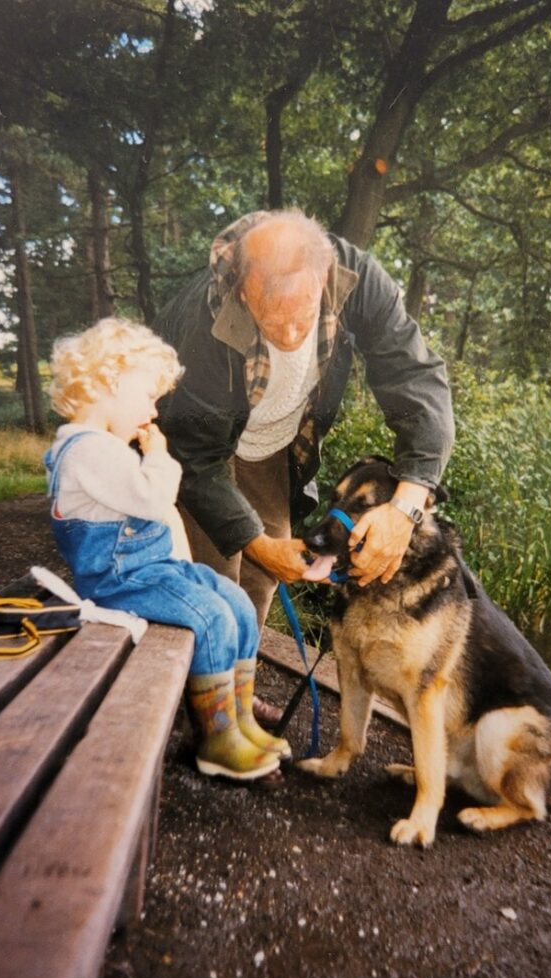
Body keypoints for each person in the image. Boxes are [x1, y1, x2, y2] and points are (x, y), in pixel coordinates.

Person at [154, 210, 455, 717]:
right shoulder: (202, 321)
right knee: (215, 579)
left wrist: (406, 506)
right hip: (197, 445)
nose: (291, 334)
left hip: (271, 446)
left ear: (324, 279)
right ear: (244, 290)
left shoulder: (355, 280)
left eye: (303, 316)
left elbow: (416, 379)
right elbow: (195, 453)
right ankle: (210, 722)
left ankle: (238, 704)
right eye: (273, 318)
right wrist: (251, 541)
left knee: (263, 579)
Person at [43, 317, 290, 782]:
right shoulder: (88, 450)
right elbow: (157, 499)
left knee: (235, 601)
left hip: (150, 568)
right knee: (210, 616)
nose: (153, 411)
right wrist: (159, 456)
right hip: (120, 581)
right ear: (111, 383)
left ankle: (240, 720)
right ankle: (216, 739)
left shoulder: (98, 447)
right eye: (148, 396)